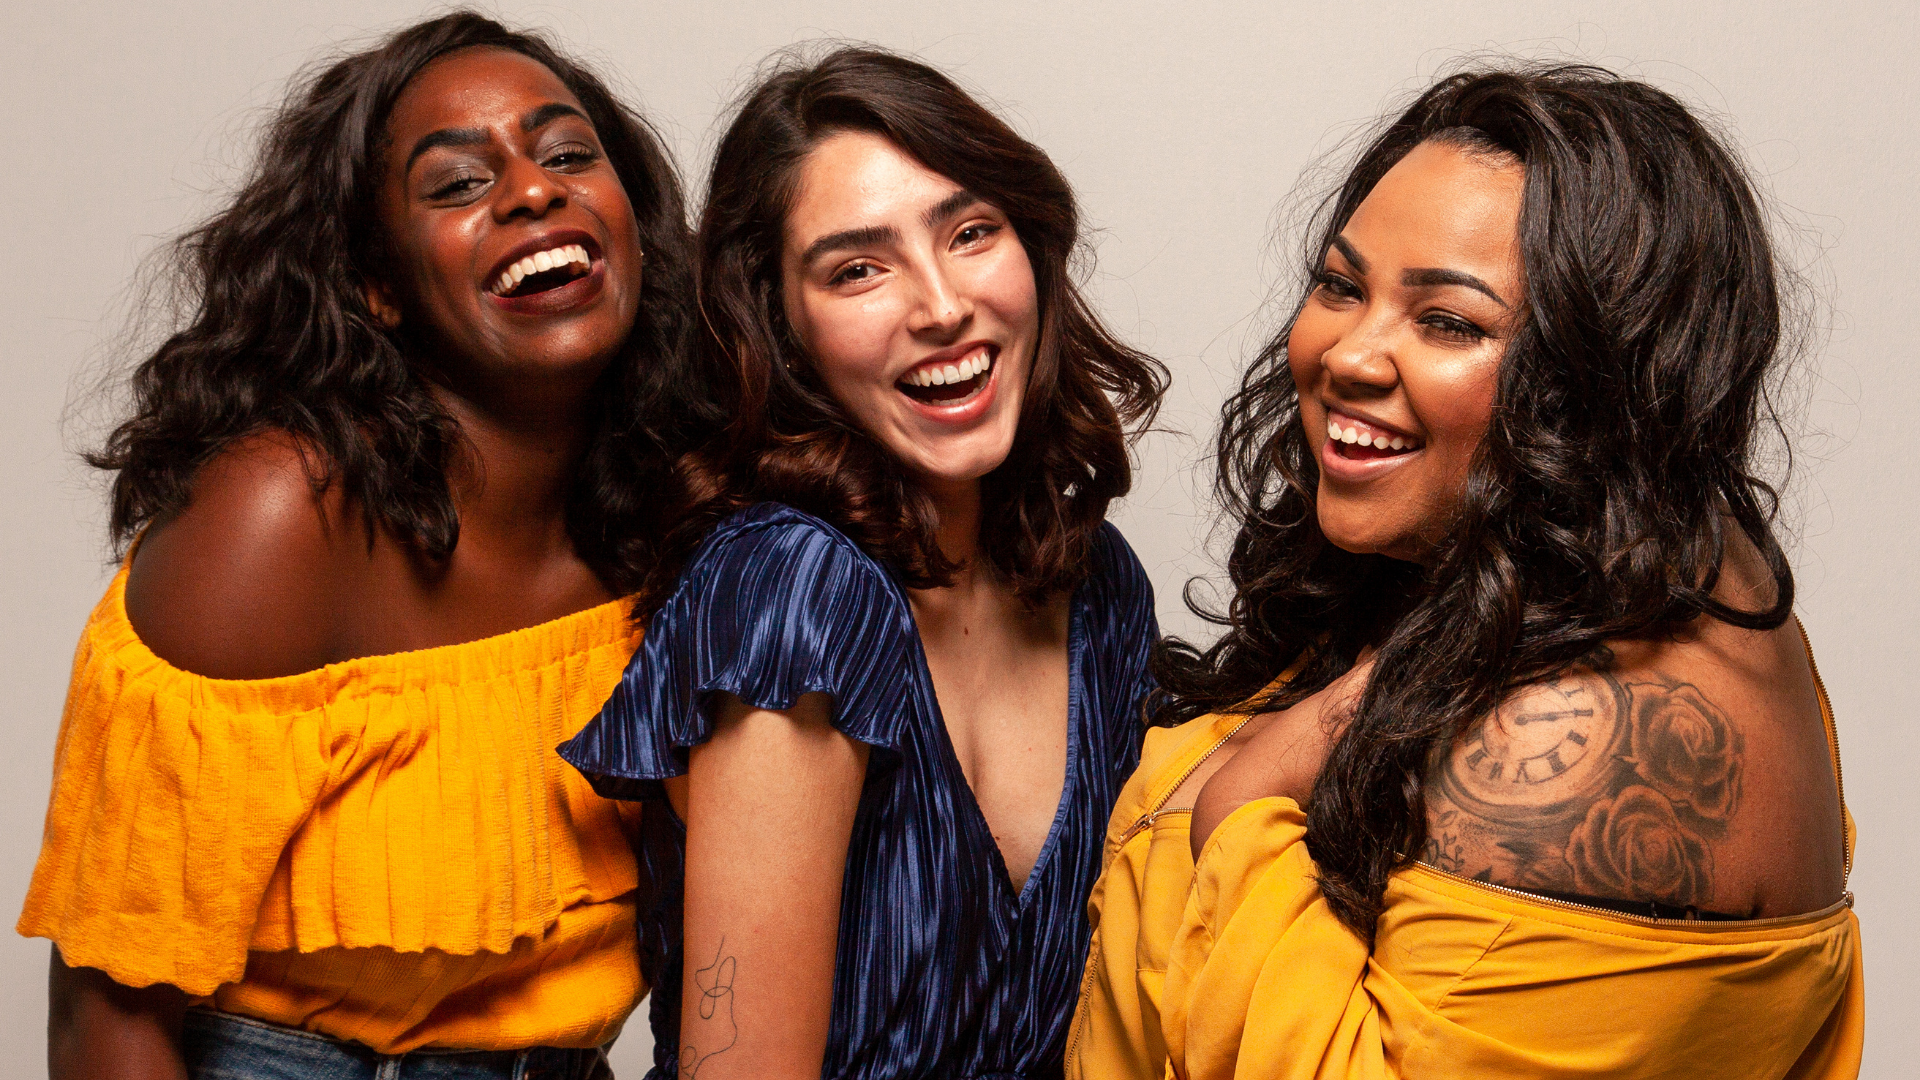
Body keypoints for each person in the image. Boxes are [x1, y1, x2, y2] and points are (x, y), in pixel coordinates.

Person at [1066, 63, 1862, 1080]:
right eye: (1342, 286)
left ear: (1596, 376)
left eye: (1450, 322)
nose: (1350, 354)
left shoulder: (1587, 741)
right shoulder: (1562, 563)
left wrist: (1249, 787)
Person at [21, 12, 707, 1078]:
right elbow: (110, 1011)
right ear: (378, 288)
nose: (533, 191)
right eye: (455, 185)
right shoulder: (278, 520)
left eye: (569, 154)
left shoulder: (680, 508)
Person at [560, 47, 1167, 1080]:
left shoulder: (1094, 581)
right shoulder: (791, 589)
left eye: (970, 233)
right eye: (857, 268)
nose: (940, 305)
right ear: (780, 327)